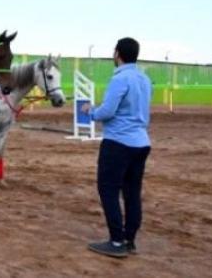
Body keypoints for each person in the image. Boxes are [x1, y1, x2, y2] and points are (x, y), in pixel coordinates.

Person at [80, 37, 152, 258]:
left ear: (117, 53)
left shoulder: (120, 79)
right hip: (141, 142)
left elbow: (108, 111)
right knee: (132, 193)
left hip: (118, 142)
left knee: (108, 189)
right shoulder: (144, 79)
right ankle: (129, 240)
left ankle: (117, 241)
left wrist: (90, 111)